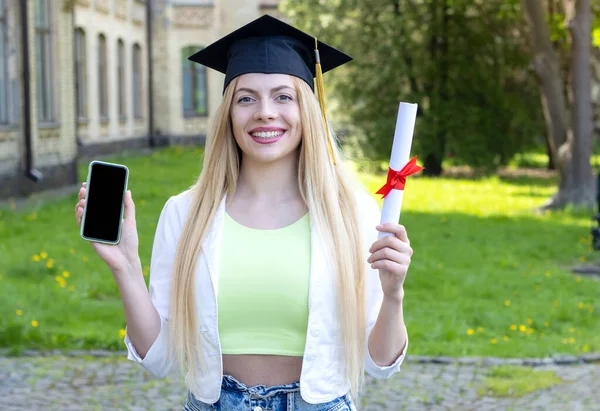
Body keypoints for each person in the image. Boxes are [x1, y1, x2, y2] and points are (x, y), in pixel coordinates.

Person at [74, 14, 412, 411]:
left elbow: (380, 364)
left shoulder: (352, 213)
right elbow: (160, 359)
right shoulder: (185, 214)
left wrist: (393, 294)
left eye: (283, 96)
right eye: (246, 98)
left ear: (308, 110)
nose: (265, 112)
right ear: (228, 115)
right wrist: (126, 266)